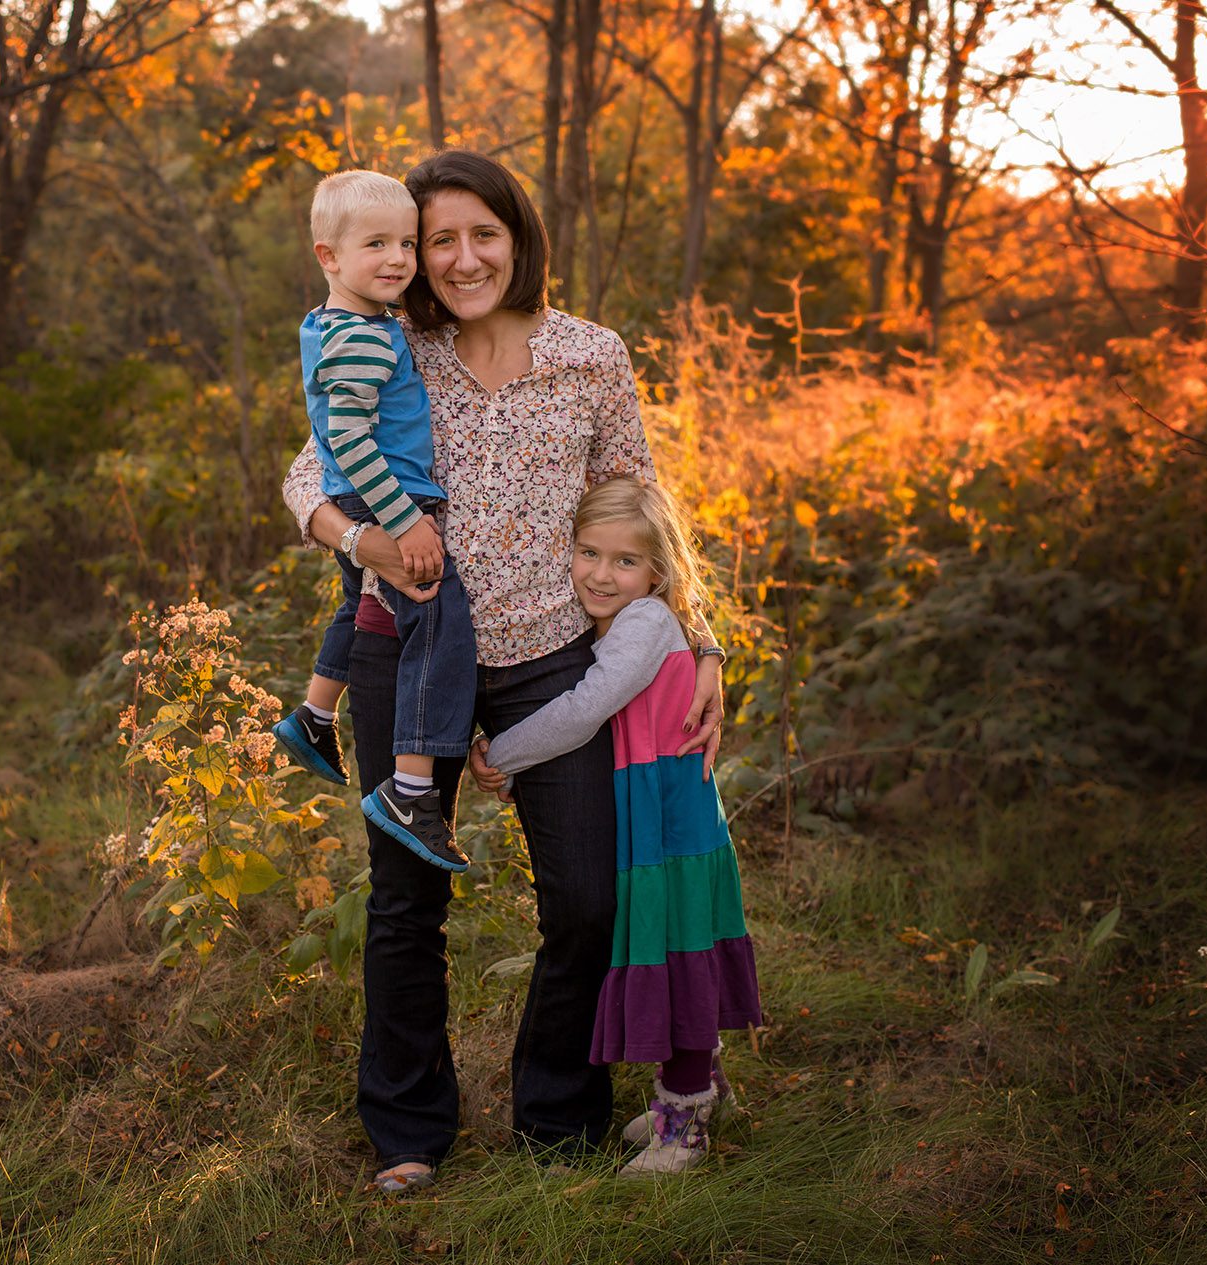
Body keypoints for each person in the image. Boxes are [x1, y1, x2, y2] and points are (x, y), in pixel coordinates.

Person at [281, 150, 725, 1194]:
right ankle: (407, 1128)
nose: (463, 256)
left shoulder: (590, 353)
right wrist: (362, 541)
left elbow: (638, 511)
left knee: (584, 898)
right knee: (404, 899)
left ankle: (558, 1113)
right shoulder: (394, 343)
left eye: (485, 233)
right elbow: (309, 471)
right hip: (409, 652)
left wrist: (697, 641)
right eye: (440, 239)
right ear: (413, 254)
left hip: (554, 660)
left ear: (519, 238)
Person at [471, 478, 762, 1176]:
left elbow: (584, 707)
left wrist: (501, 756)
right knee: (670, 938)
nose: (601, 573)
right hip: (657, 805)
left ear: (657, 570)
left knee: (677, 945)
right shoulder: (631, 618)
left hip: (670, 813)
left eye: (624, 561)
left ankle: (683, 1123)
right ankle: (701, 1086)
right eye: (588, 552)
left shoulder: (644, 625)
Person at [271, 170, 478, 873]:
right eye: (377, 245)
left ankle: (314, 716)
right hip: (384, 499)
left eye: (409, 244)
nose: (399, 259)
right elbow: (353, 440)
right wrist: (405, 523)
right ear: (328, 256)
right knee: (437, 619)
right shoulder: (363, 336)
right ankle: (412, 791)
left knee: (356, 601)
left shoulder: (337, 322)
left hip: (359, 499)